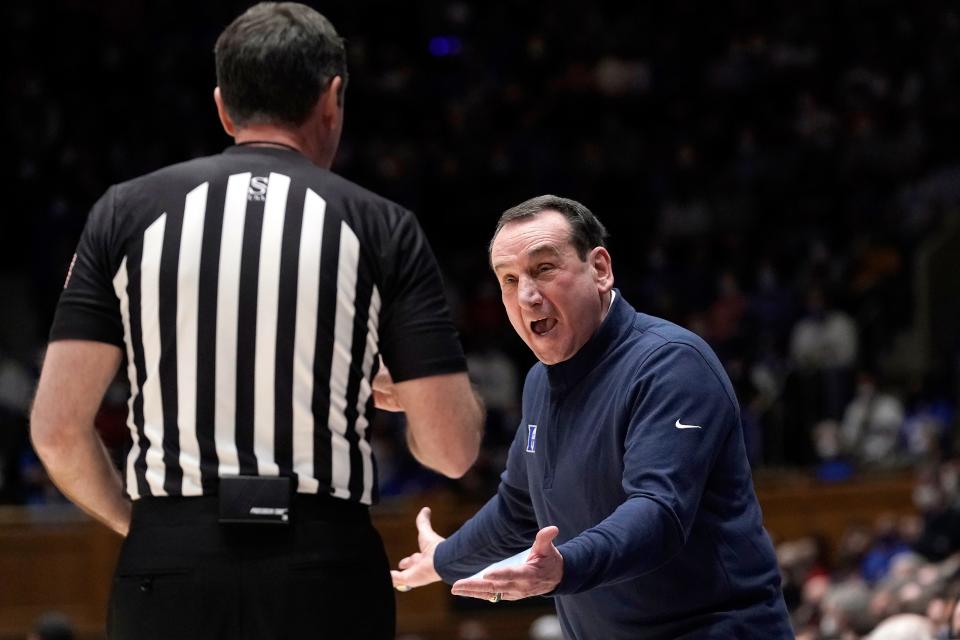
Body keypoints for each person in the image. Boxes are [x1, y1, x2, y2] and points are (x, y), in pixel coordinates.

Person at [29, 4, 484, 639]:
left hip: (170, 561)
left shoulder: (123, 213)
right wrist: (406, 391)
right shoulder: (382, 225)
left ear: (223, 106)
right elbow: (452, 451)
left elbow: (55, 432)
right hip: (324, 567)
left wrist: (152, 527)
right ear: (332, 99)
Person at [390, 195, 793, 639]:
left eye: (543, 269)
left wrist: (564, 568)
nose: (526, 295)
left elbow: (658, 512)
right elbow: (519, 508)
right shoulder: (539, 384)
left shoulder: (672, 364)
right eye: (509, 279)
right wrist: (443, 561)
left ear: (600, 269)